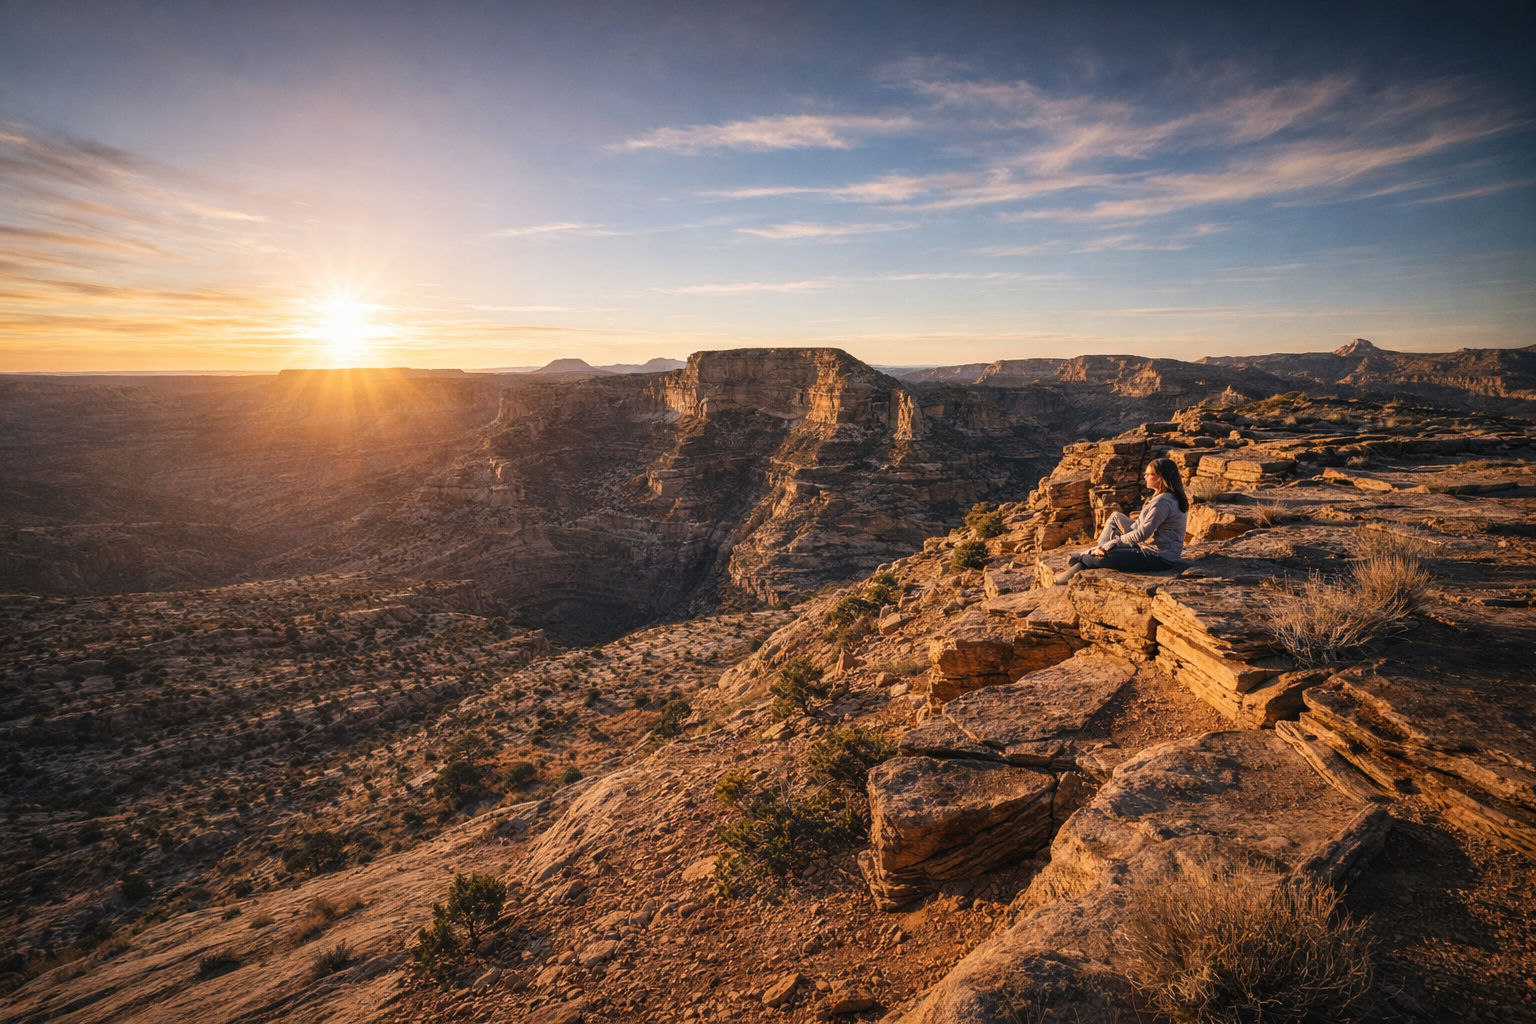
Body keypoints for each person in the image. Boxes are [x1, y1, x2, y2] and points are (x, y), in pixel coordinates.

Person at [1054, 458, 1189, 586]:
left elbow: (1141, 535)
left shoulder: (1162, 502)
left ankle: (1084, 559)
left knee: (1090, 559)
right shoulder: (1168, 497)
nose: (1145, 476)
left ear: (1160, 477)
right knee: (1115, 518)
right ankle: (1098, 550)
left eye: (1149, 474)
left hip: (1157, 558)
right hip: (1159, 553)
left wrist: (1115, 542)